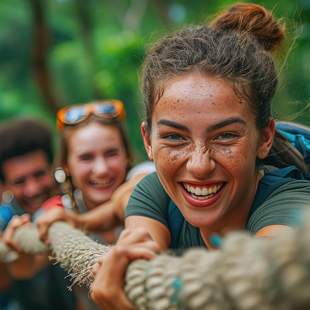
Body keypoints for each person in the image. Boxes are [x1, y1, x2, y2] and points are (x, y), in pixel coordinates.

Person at [89, 3, 310, 309]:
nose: (199, 165)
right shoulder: (155, 193)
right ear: (148, 141)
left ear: (265, 137)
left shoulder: (293, 205)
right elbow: (140, 261)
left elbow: (266, 274)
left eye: (225, 136)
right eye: (174, 138)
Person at [0, 118, 77, 310]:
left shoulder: (76, 199)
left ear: (53, 167)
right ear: (4, 186)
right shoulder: (5, 218)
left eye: (39, 174)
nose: (32, 189)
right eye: (20, 181)